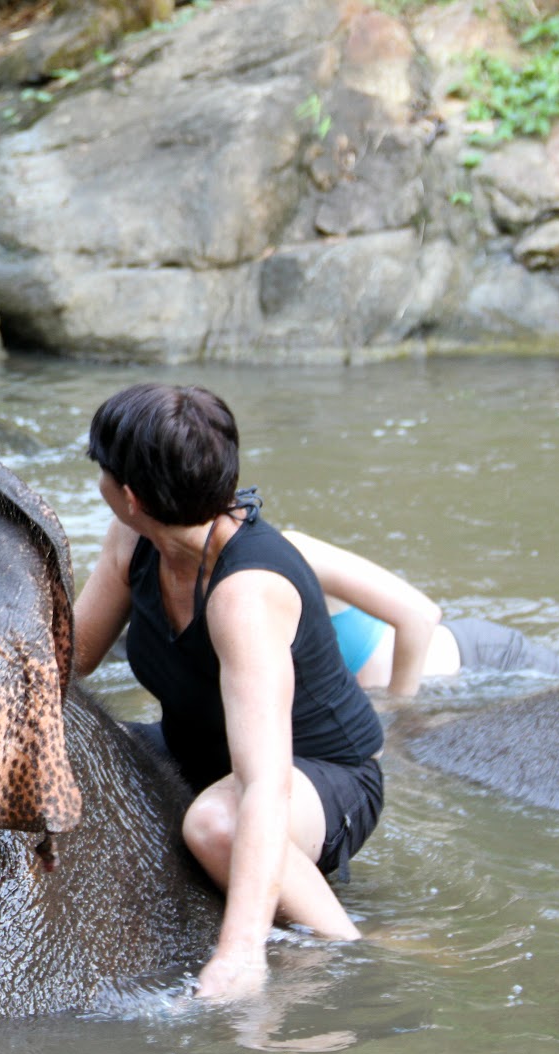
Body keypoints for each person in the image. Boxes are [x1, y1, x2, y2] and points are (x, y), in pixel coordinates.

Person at [72, 383, 384, 1001]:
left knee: (217, 824)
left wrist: (239, 954)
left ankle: (350, 954)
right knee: (81, 741)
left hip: (317, 776)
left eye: (101, 469)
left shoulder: (246, 592)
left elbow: (265, 783)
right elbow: (70, 658)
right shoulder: (133, 540)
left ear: (129, 496)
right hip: (197, 752)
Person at [280, 530, 559, 697]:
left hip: (487, 665)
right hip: (445, 693)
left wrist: (398, 714)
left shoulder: (293, 551)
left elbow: (421, 613)